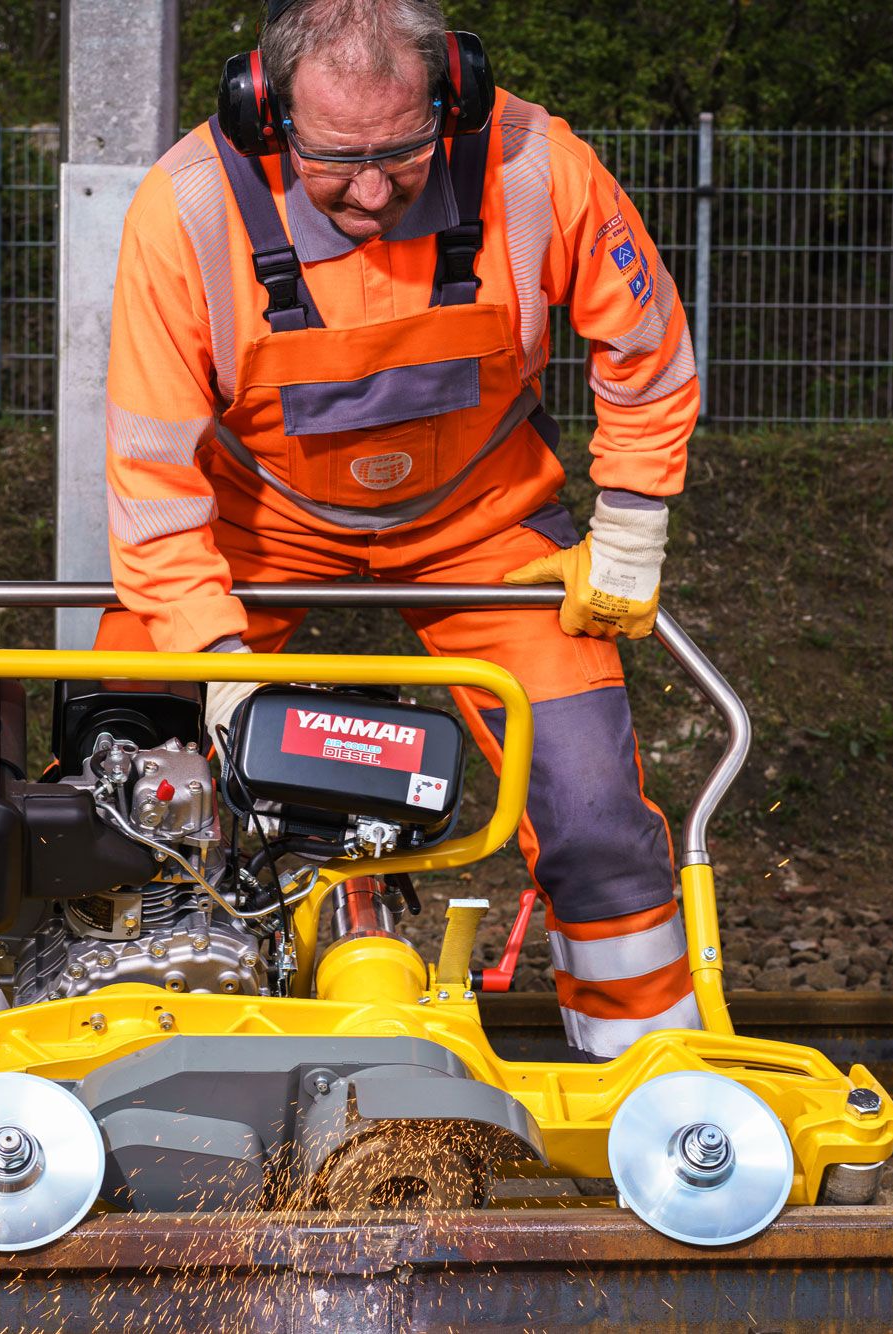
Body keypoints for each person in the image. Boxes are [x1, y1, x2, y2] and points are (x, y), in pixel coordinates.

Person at [91, 0, 700, 1057]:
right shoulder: (186, 210)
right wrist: (212, 662)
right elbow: (152, 477)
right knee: (120, 778)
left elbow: (648, 353)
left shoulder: (533, 166)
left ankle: (651, 1072)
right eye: (336, 160)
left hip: (484, 526)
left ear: (452, 95)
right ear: (265, 113)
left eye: (403, 151)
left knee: (594, 809)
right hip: (250, 536)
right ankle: (49, 1047)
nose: (372, 190)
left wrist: (632, 528)